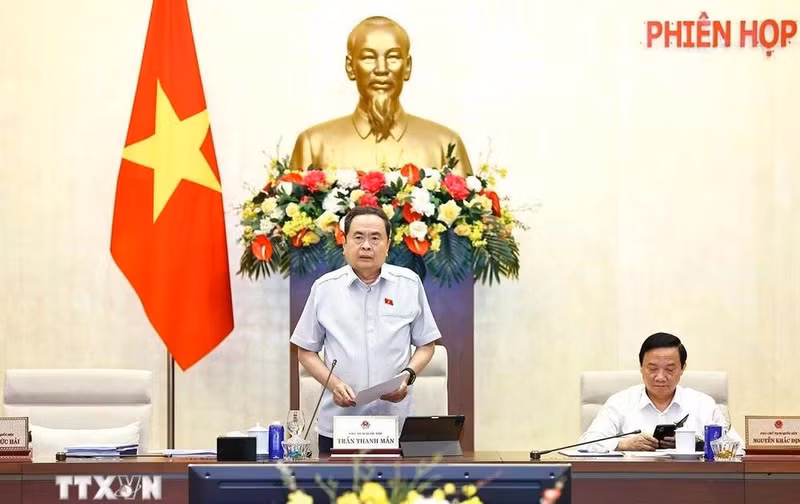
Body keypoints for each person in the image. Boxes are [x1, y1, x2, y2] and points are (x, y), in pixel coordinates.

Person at [289, 206, 441, 454]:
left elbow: (427, 344)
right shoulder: (325, 289)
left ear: (388, 245)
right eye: (358, 237)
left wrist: (407, 376)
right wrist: (334, 384)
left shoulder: (409, 284)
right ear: (344, 243)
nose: (366, 246)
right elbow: (305, 350)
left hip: (395, 424)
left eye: (375, 238)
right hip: (339, 425)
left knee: (397, 493)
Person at [289, 15, 472, 176]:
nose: (382, 69)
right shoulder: (313, 145)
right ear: (350, 67)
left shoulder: (445, 145)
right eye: (368, 58)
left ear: (407, 67)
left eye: (393, 57)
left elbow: (474, 213)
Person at [579, 332, 744, 452]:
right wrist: (624, 444)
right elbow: (586, 443)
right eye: (652, 369)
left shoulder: (703, 404)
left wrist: (696, 444)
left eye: (670, 369)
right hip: (631, 485)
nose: (660, 377)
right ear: (641, 368)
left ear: (682, 368)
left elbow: (738, 448)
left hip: (693, 485)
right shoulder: (620, 402)